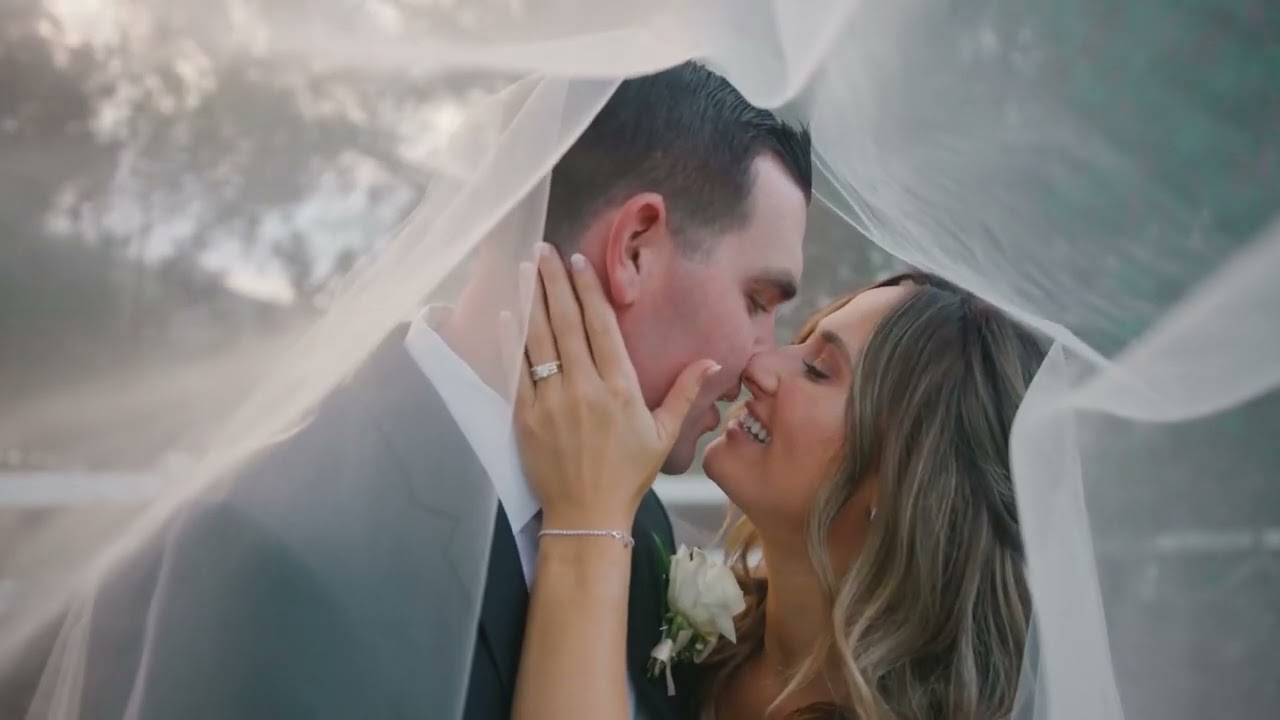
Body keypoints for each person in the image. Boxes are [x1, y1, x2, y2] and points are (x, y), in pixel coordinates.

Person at [69, 63, 811, 720]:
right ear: (635, 249)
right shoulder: (261, 544)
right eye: (756, 301)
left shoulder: (636, 519)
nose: (763, 359)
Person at [510, 253, 1047, 720]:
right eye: (798, 342)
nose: (759, 365)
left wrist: (586, 522)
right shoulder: (706, 636)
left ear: (905, 486)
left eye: (818, 370)